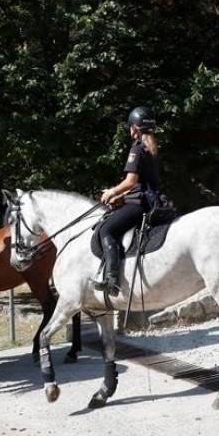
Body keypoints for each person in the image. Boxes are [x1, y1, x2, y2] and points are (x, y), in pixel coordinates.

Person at [96, 107, 161, 296]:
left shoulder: (137, 149)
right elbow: (144, 183)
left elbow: (131, 181)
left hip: (140, 203)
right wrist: (121, 197)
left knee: (106, 230)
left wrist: (111, 192)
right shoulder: (153, 148)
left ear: (134, 128)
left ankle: (112, 280)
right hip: (151, 199)